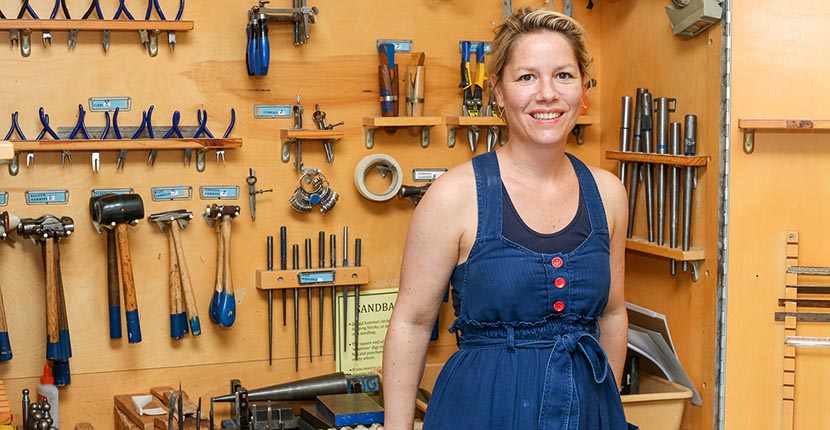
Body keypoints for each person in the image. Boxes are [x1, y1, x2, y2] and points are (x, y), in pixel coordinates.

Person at [382, 7, 633, 430]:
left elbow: (612, 313)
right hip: (482, 409)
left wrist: (605, 409)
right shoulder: (455, 196)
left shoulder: (608, 193)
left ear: (583, 90)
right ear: (497, 91)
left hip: (586, 411)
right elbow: (412, 321)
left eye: (564, 75)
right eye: (526, 77)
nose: (548, 93)